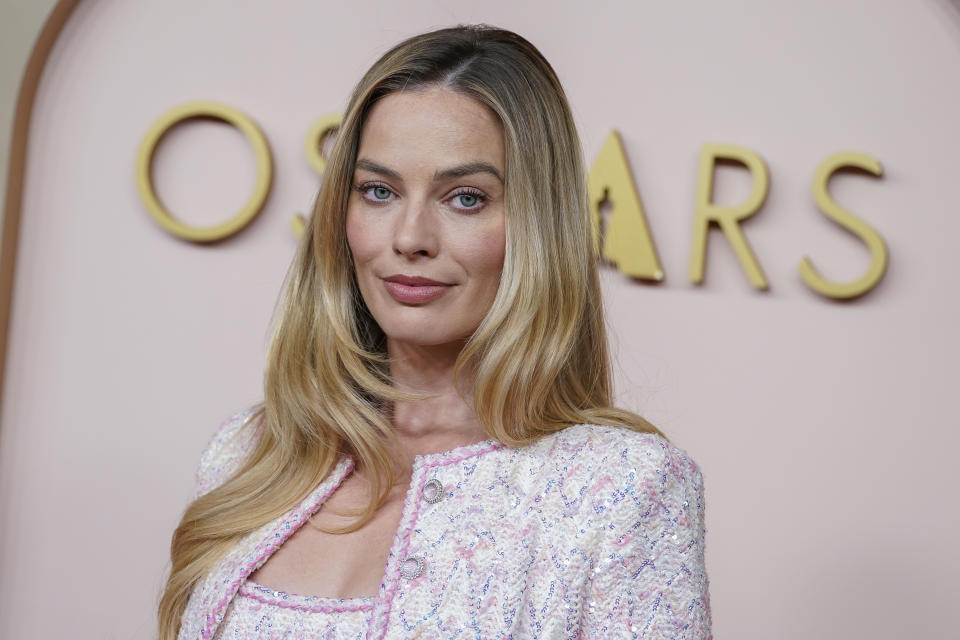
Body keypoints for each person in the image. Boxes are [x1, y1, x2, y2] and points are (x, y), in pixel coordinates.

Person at [158, 24, 711, 640]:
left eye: (466, 198)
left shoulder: (621, 487)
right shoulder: (251, 450)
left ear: (537, 224)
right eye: (378, 191)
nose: (410, 237)